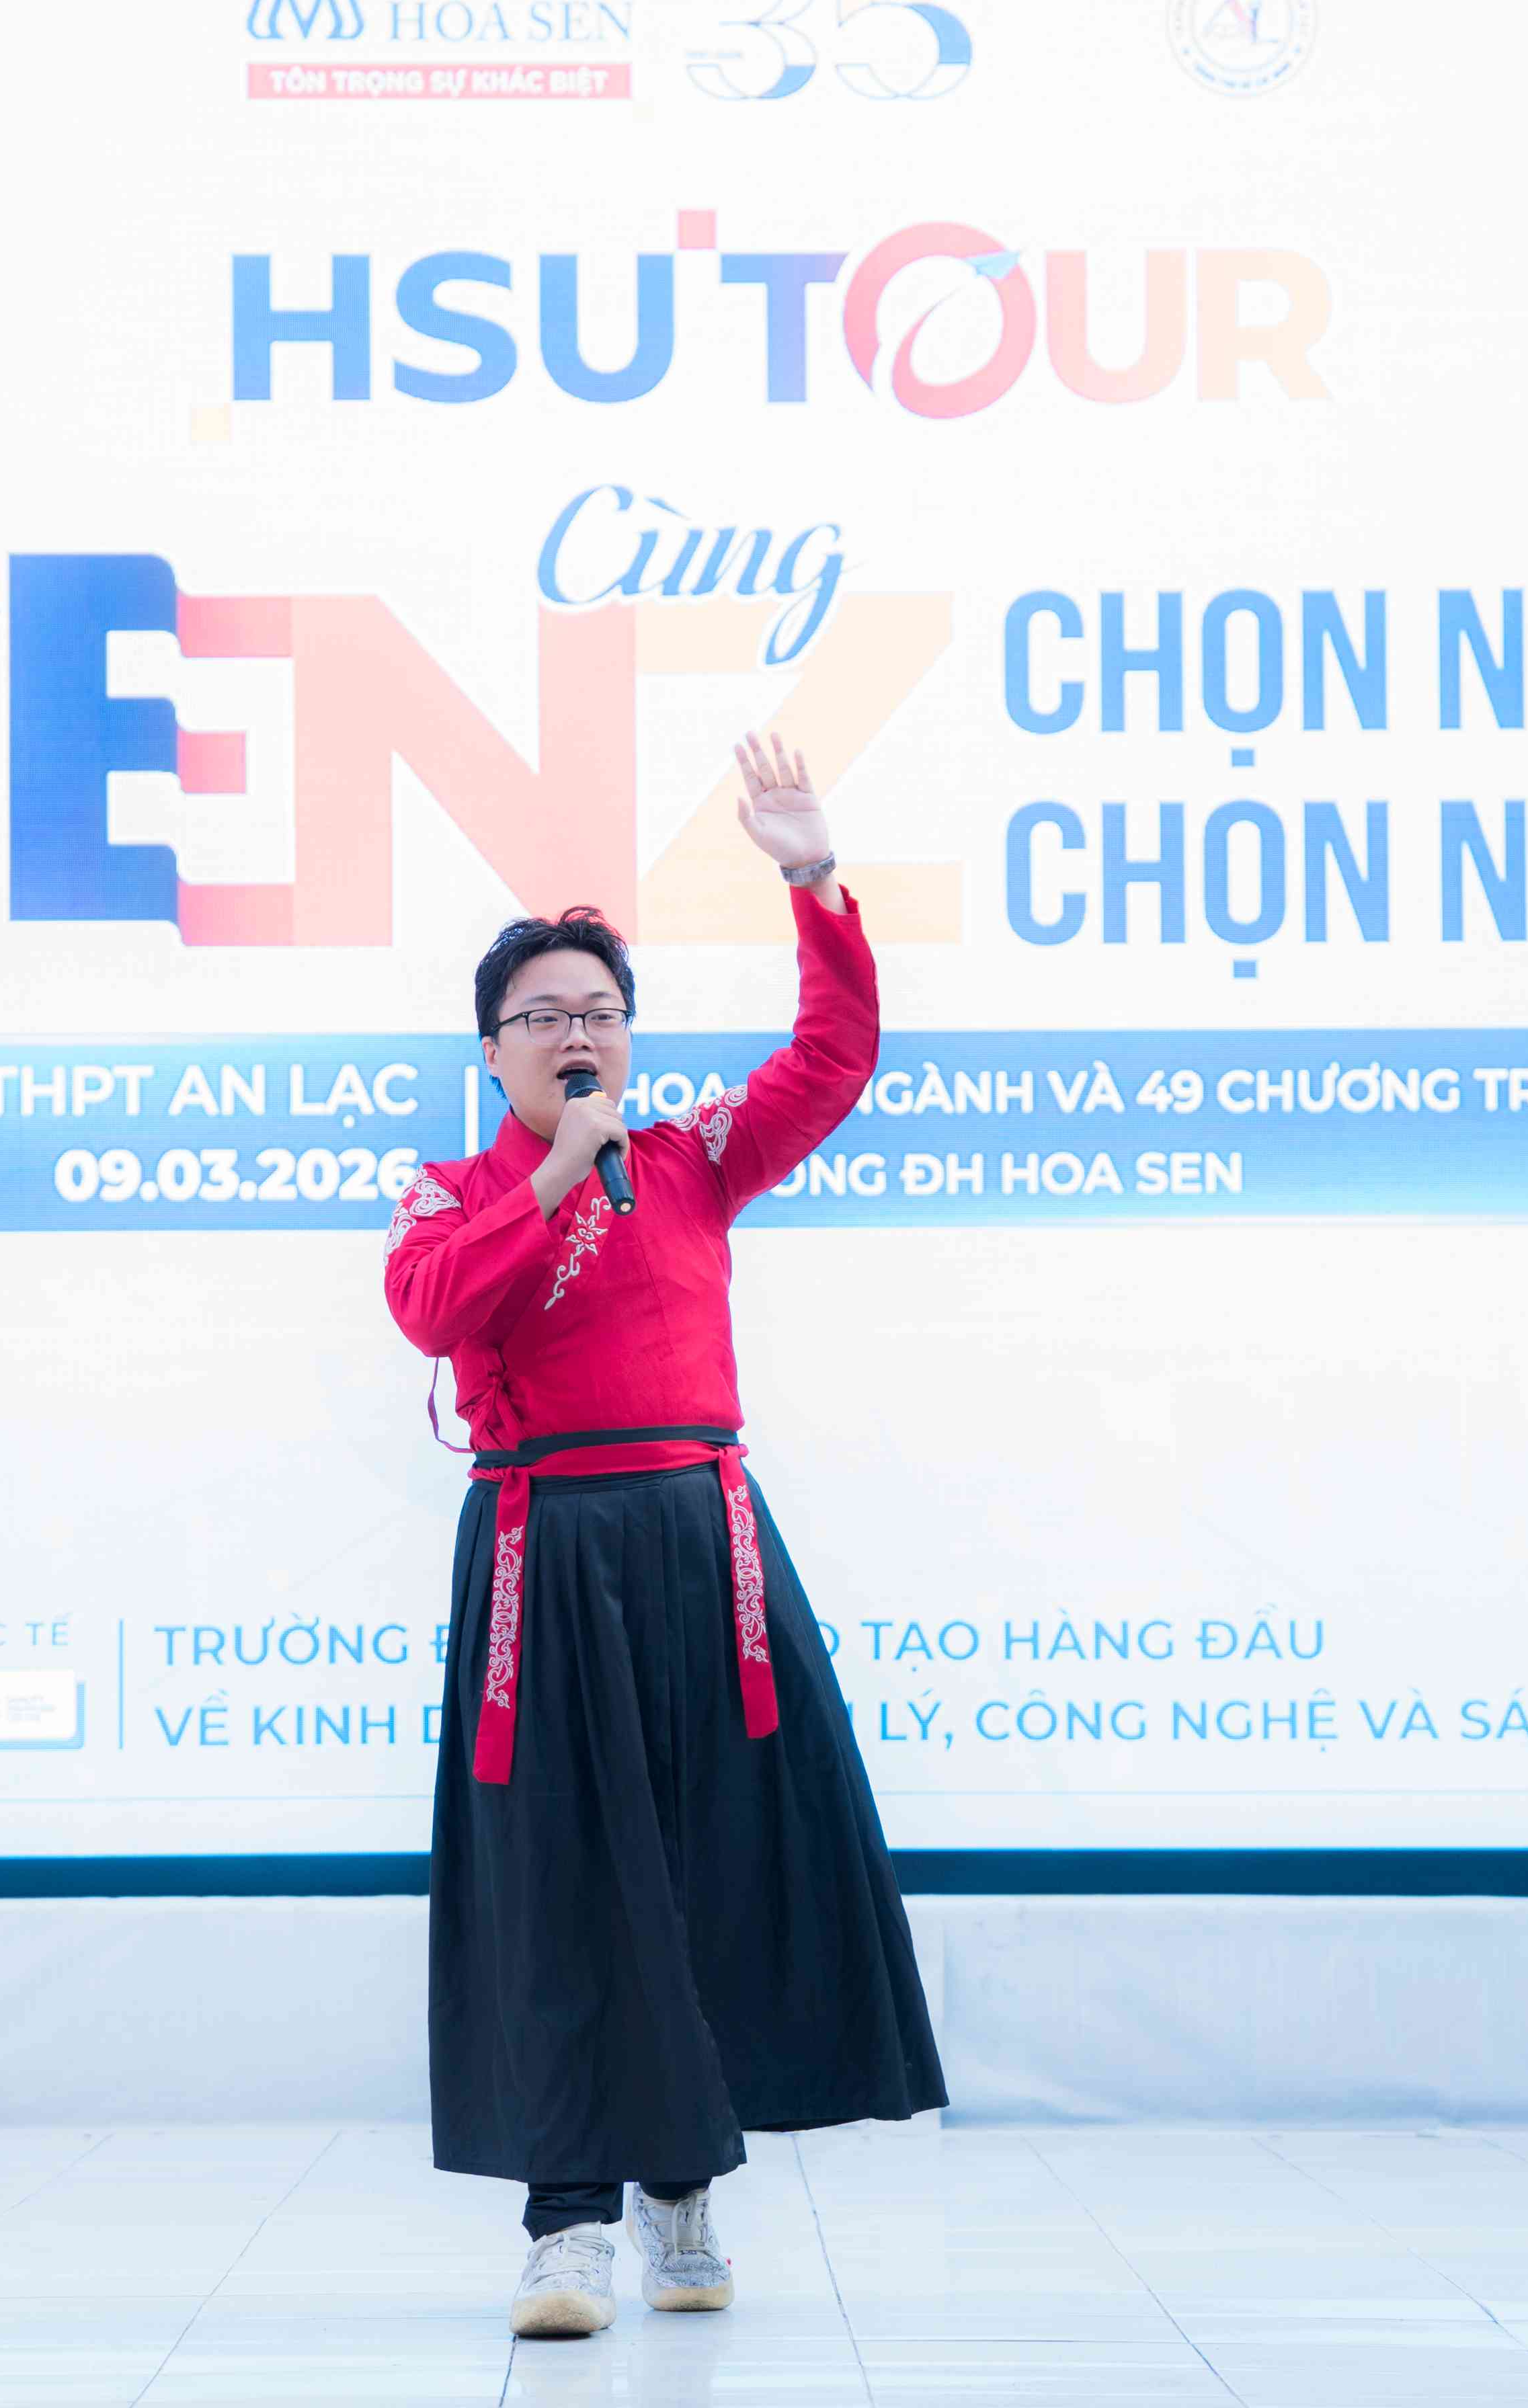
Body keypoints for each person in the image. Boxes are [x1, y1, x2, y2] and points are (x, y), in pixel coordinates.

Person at [383, 732, 946, 2339]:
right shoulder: (452, 1191)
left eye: (600, 1011)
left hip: (706, 1539)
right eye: (544, 1015)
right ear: (493, 1050)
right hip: (543, 1552)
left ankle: (681, 2187)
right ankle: (565, 2222)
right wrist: (556, 1175)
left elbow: (833, 1056)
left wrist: (811, 873)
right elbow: (431, 1308)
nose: (577, 1033)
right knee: (559, 1881)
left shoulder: (694, 1157)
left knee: (710, 1858)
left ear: (629, 1035)